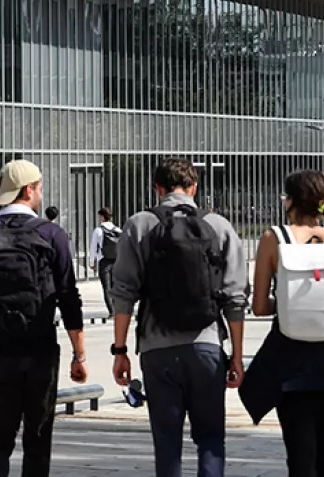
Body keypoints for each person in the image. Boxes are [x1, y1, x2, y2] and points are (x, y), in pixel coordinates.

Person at [111, 157, 248, 477]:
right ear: (194, 188)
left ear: (157, 189)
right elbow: (235, 299)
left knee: (167, 443)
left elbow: (123, 293)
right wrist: (237, 357)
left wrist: (120, 351)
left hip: (157, 350)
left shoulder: (139, 224)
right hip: (207, 347)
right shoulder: (219, 226)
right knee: (211, 438)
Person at [0, 159, 88, 477]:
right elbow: (69, 297)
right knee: (38, 440)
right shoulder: (52, 235)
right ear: (29, 190)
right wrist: (79, 354)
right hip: (39, 351)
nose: (40, 193)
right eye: (39, 187)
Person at [240, 170, 324, 476]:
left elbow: (258, 307)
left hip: (291, 367)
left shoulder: (274, 239)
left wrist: (288, 303)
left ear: (290, 201)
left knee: (299, 455)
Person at [88, 207, 122, 315]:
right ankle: (117, 310)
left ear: (102, 217)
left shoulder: (98, 231)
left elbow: (93, 248)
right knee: (115, 286)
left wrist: (91, 263)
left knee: (107, 287)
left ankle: (112, 311)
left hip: (104, 261)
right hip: (117, 261)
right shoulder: (118, 230)